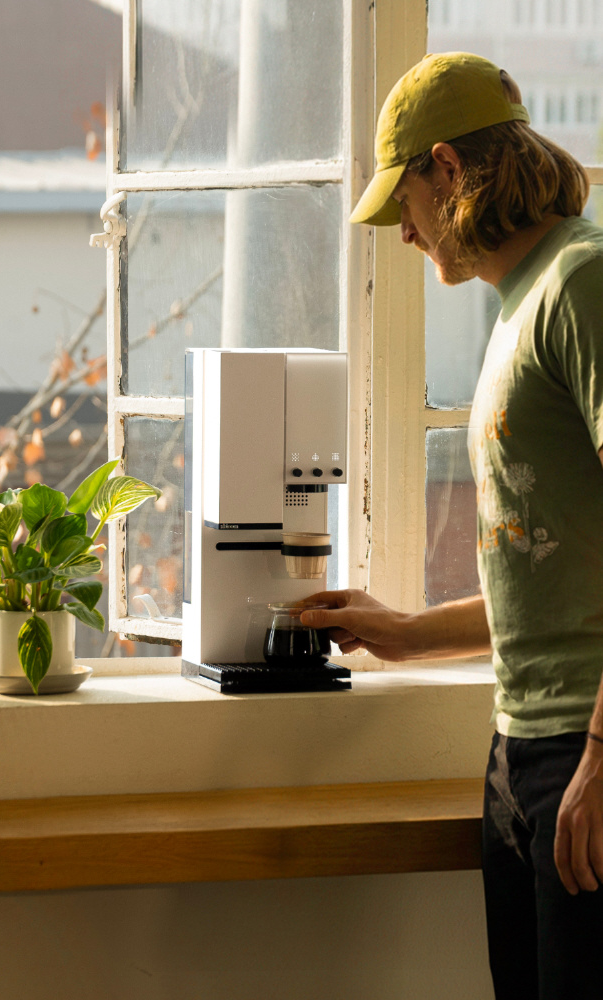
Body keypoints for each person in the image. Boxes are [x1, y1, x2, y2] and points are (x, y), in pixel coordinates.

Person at [300, 52, 603, 1000]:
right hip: (521, 750)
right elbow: (549, 575)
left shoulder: (584, 280)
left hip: (583, 747)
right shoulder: (520, 305)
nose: (403, 233)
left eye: (404, 204)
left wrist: (602, 755)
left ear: (447, 168)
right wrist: (403, 632)